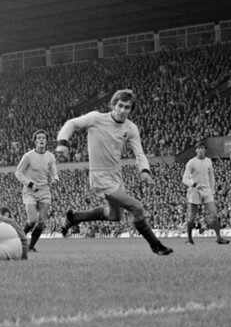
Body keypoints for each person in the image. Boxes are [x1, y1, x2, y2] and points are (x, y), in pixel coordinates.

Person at [55, 88, 173, 256]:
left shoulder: (131, 128)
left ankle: (75, 217)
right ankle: (157, 246)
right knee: (137, 208)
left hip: (116, 175)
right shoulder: (96, 118)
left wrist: (145, 170)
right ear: (112, 105)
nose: (123, 110)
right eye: (120, 106)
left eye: (127, 107)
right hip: (99, 176)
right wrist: (62, 143)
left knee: (114, 215)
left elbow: (139, 153)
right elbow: (71, 124)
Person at [14, 129, 59, 252]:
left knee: (41, 222)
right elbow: (18, 172)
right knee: (32, 220)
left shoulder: (50, 156)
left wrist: (55, 180)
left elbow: (54, 173)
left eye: (43, 138)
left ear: (46, 141)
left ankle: (30, 247)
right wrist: (29, 184)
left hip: (44, 191)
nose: (41, 140)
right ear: (35, 141)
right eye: (38, 138)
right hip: (30, 191)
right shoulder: (28, 156)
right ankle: (18, 242)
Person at [182, 142, 230, 245]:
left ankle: (219, 238)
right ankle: (190, 240)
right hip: (195, 189)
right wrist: (194, 184)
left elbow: (211, 177)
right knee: (192, 216)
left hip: (206, 190)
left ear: (205, 150)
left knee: (214, 215)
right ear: (196, 150)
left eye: (203, 148)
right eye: (199, 148)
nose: (201, 150)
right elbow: (185, 179)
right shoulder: (191, 162)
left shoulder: (208, 161)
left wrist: (212, 191)